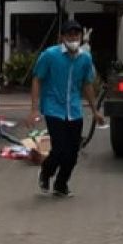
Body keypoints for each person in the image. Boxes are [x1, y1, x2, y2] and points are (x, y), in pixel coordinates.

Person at [30, 21, 103, 197]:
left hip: (74, 110)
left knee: (72, 153)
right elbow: (37, 79)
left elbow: (87, 84)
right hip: (53, 108)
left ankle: (61, 184)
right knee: (59, 149)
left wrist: (95, 110)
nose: (73, 39)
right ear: (62, 37)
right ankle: (46, 173)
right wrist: (34, 109)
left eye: (76, 35)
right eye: (69, 35)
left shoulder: (85, 58)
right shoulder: (50, 55)